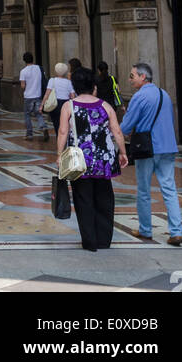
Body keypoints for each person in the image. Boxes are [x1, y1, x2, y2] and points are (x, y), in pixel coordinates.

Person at [57, 66, 127, 251]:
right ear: (93, 86)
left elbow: (63, 131)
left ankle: (90, 241)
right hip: (104, 159)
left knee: (83, 199)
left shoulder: (69, 106)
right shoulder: (105, 105)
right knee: (105, 198)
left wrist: (59, 155)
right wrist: (123, 152)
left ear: (75, 86)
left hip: (80, 160)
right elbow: (116, 130)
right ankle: (104, 240)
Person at [120, 62, 182, 246]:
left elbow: (126, 125)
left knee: (143, 190)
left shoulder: (139, 97)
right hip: (167, 146)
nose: (129, 79)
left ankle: (146, 229)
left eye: (132, 76)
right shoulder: (164, 94)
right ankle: (176, 231)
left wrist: (115, 130)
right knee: (169, 189)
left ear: (143, 77)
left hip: (147, 148)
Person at [20, 51, 49, 141]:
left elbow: (23, 85)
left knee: (27, 115)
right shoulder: (39, 68)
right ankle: (43, 127)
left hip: (28, 96)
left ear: (24, 60)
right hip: (38, 95)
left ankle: (29, 134)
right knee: (38, 113)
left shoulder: (23, 71)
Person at [46, 62, 75, 135]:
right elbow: (72, 95)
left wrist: (42, 104)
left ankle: (59, 139)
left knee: (56, 124)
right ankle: (66, 138)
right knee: (66, 123)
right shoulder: (68, 82)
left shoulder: (52, 80)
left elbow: (47, 93)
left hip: (55, 104)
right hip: (66, 104)